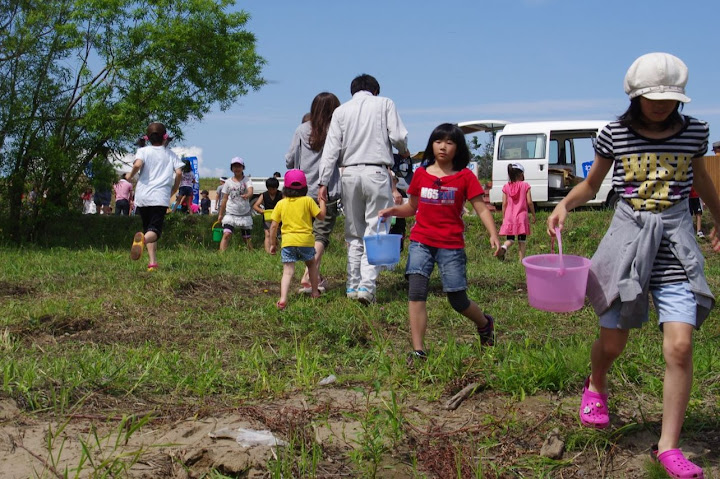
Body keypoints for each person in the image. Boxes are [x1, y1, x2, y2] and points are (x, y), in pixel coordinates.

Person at [547, 53, 720, 479]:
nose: (661, 105)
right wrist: (564, 205)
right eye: (651, 97)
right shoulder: (615, 134)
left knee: (680, 346)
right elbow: (591, 184)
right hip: (627, 242)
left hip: (676, 244)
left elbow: (700, 180)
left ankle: (668, 447)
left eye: (668, 98)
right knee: (613, 341)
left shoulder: (695, 131)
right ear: (635, 95)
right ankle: (597, 385)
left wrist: (719, 217)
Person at [378, 123, 501, 360]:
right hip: (421, 241)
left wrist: (493, 234)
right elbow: (412, 207)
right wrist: (394, 210)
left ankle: (485, 324)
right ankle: (418, 350)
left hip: (451, 244)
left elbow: (482, 209)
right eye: (438, 141)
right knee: (416, 292)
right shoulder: (422, 175)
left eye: (450, 142)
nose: (443, 147)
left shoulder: (465, 176)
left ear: (458, 147)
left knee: (457, 299)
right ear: (431, 145)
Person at [318, 74, 409, 304]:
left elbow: (331, 150)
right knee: (376, 229)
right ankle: (367, 287)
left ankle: (352, 285)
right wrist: (403, 150)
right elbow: (398, 136)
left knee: (354, 232)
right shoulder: (385, 103)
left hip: (347, 172)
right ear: (375, 90)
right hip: (376, 171)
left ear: (352, 91)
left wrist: (323, 182)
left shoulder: (341, 111)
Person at [285, 92, 342, 294]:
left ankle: (314, 274)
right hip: (328, 191)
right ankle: (309, 275)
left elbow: (289, 159)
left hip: (301, 192)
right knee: (321, 235)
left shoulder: (301, 130)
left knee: (307, 234)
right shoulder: (335, 130)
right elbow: (341, 159)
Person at [128, 122, 184, 271]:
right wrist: (175, 187)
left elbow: (138, 164)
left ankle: (152, 262)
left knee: (148, 228)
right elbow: (179, 173)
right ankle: (142, 241)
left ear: (147, 137)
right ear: (165, 137)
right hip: (160, 197)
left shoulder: (143, 151)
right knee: (155, 232)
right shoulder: (170, 154)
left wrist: (130, 175)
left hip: (143, 196)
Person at [269, 169, 326, 310]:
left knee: (288, 271)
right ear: (305, 187)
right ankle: (314, 292)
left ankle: (283, 299)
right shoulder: (307, 201)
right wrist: (322, 201)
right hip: (306, 241)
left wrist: (273, 244)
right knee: (311, 265)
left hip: (288, 242)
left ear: (285, 188)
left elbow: (274, 226)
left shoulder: (281, 204)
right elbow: (321, 216)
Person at [497, 163, 535, 261]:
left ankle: (504, 247)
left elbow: (504, 203)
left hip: (509, 217)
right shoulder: (525, 185)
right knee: (522, 240)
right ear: (520, 174)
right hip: (521, 217)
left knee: (510, 239)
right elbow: (530, 202)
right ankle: (521, 261)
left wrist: (503, 216)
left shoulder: (506, 187)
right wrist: (534, 215)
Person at [217, 157, 254, 251]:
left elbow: (250, 191)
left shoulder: (247, 180)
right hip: (231, 213)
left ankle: (253, 254)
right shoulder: (228, 182)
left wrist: (247, 195)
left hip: (244, 213)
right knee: (226, 234)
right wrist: (221, 214)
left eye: (239, 166)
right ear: (232, 168)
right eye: (234, 166)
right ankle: (221, 255)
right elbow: (224, 199)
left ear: (243, 168)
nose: (237, 168)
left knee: (246, 238)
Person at [253, 177, 283, 253]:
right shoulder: (264, 195)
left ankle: (278, 250)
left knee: (277, 234)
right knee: (268, 234)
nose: (272, 191)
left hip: (279, 218)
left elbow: (287, 205)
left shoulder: (281, 194)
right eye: (270, 189)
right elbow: (255, 205)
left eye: (274, 189)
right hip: (267, 217)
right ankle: (268, 252)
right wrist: (262, 211)